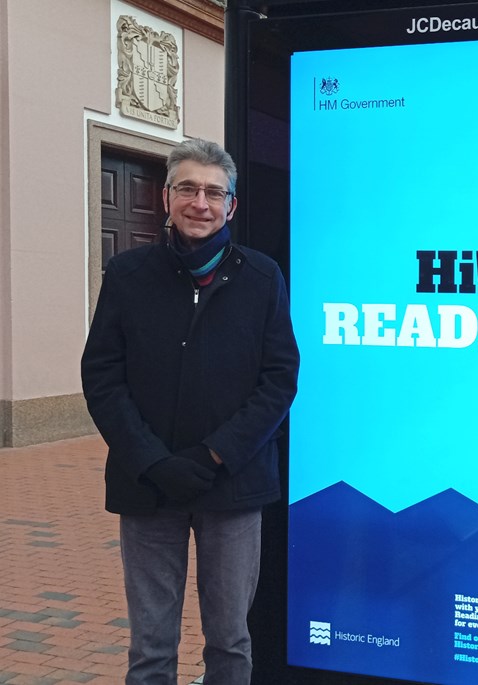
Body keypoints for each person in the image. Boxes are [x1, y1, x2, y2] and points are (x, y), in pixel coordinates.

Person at [81, 138, 299, 685]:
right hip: (147, 484)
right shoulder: (127, 275)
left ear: (231, 206)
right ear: (166, 197)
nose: (200, 202)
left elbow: (278, 381)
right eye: (188, 189)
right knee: (151, 646)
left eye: (213, 192)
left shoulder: (262, 277)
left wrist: (214, 454)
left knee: (229, 642)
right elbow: (102, 376)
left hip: (234, 483)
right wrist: (152, 461)